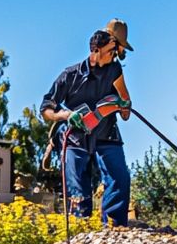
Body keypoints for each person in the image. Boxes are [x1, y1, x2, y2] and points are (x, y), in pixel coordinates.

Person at [40, 26, 135, 226]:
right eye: (113, 50)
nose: (117, 55)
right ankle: (80, 230)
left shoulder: (114, 70)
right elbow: (46, 109)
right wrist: (66, 114)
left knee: (120, 178)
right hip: (75, 137)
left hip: (106, 133)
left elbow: (125, 106)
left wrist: (124, 106)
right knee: (78, 190)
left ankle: (113, 228)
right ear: (97, 50)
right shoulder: (70, 75)